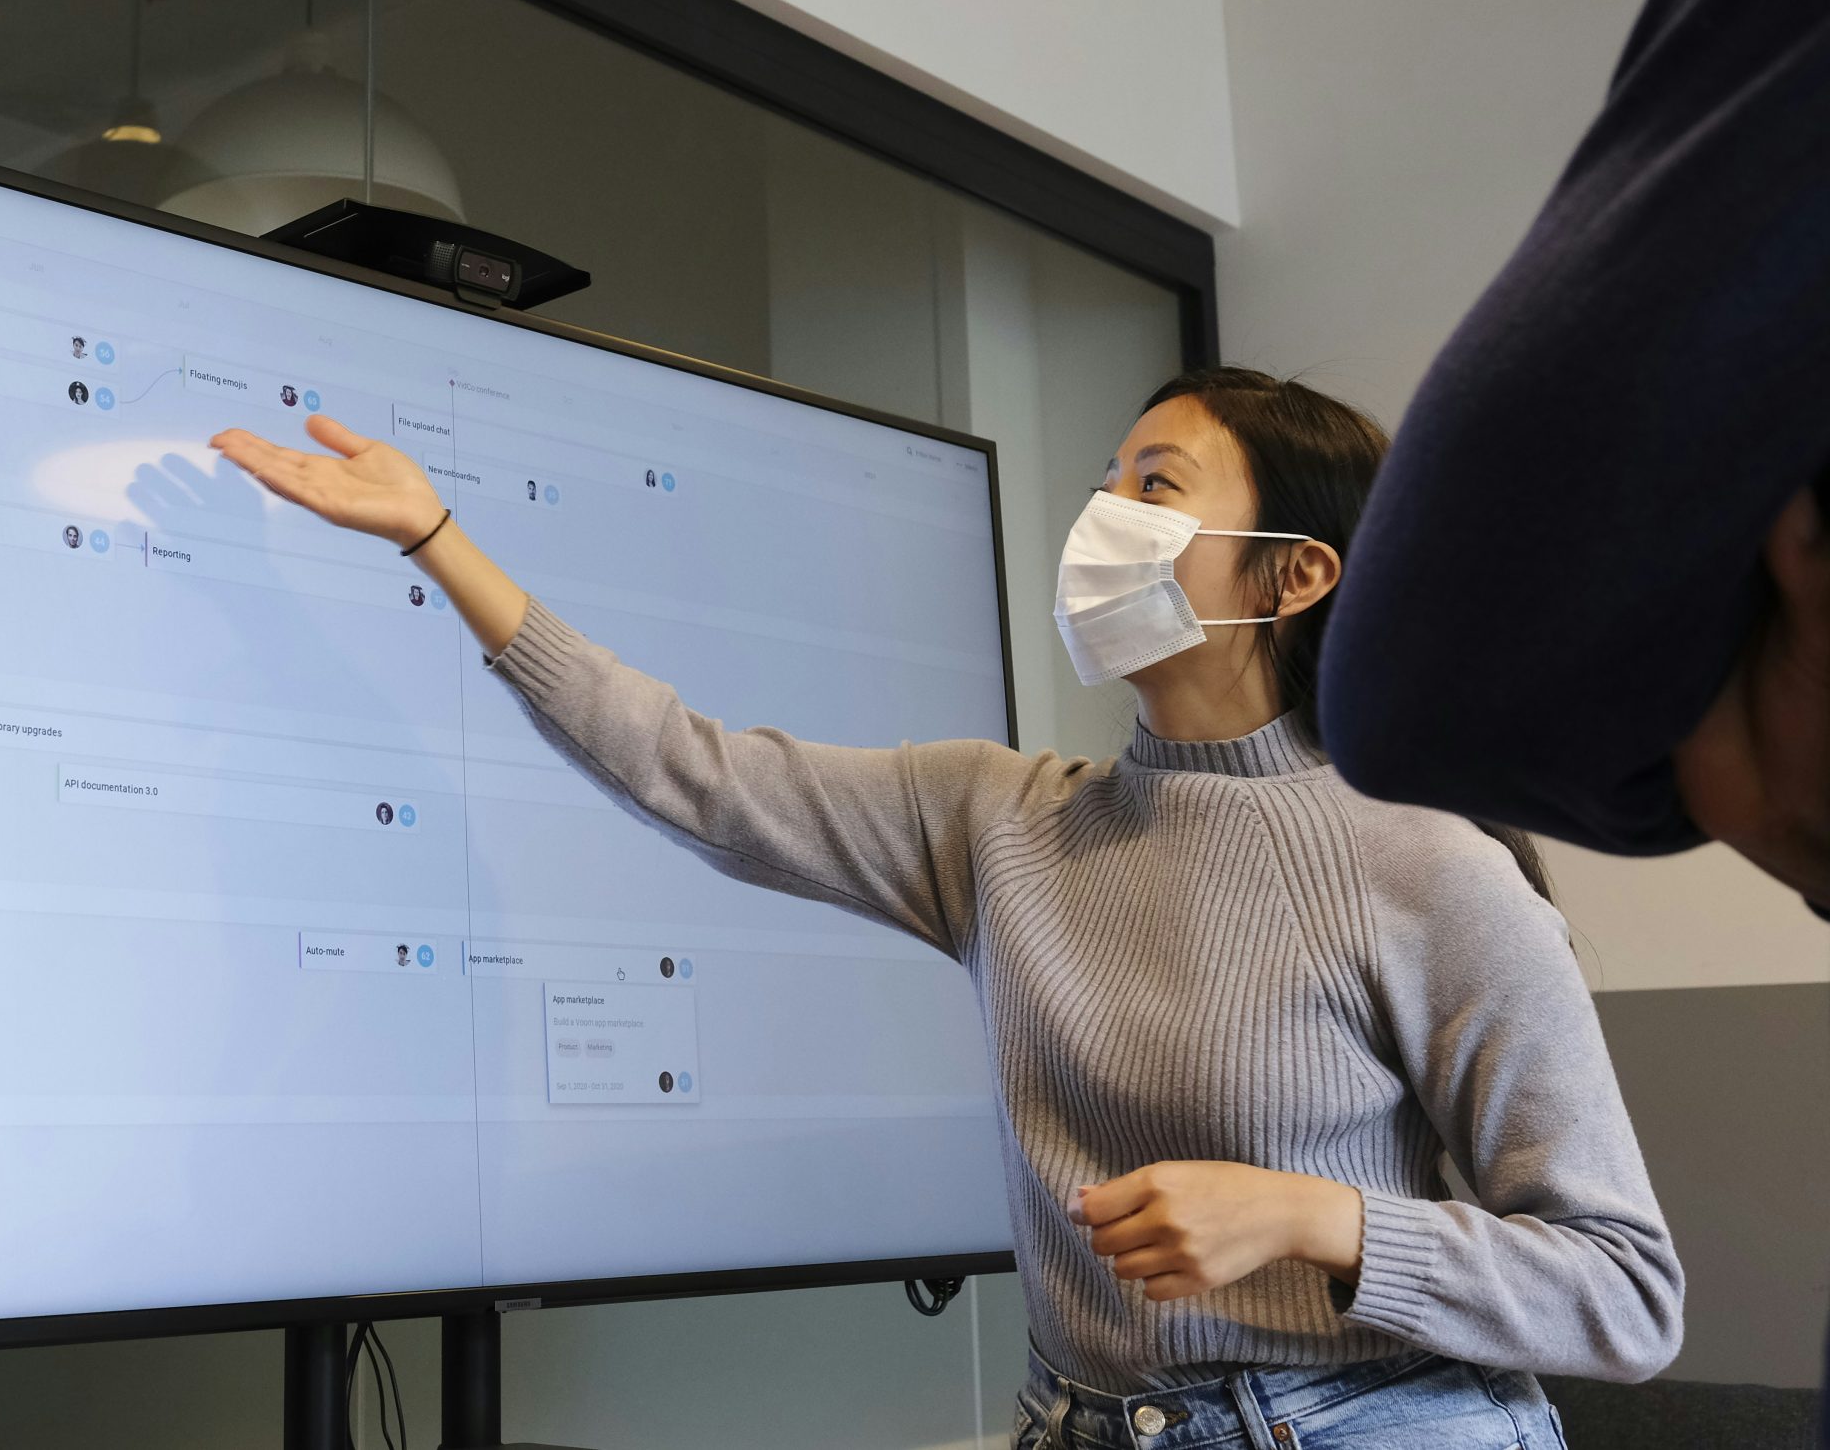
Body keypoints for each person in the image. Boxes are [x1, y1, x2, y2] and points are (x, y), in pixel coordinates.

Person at [216, 372, 1680, 1448]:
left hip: (1381, 1424)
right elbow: (693, 768)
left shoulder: (1431, 865)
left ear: (1293, 573)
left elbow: (1625, 1292)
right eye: (1109, 478)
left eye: (1156, 486)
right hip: (1083, 1421)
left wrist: (1319, 1216)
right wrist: (437, 538)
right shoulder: (1002, 818)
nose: (1101, 517)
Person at [1319, 0, 1830, 909]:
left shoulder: (1433, 877)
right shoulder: (1026, 819)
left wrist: (1737, 761)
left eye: (1153, 482)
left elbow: (1417, 689)